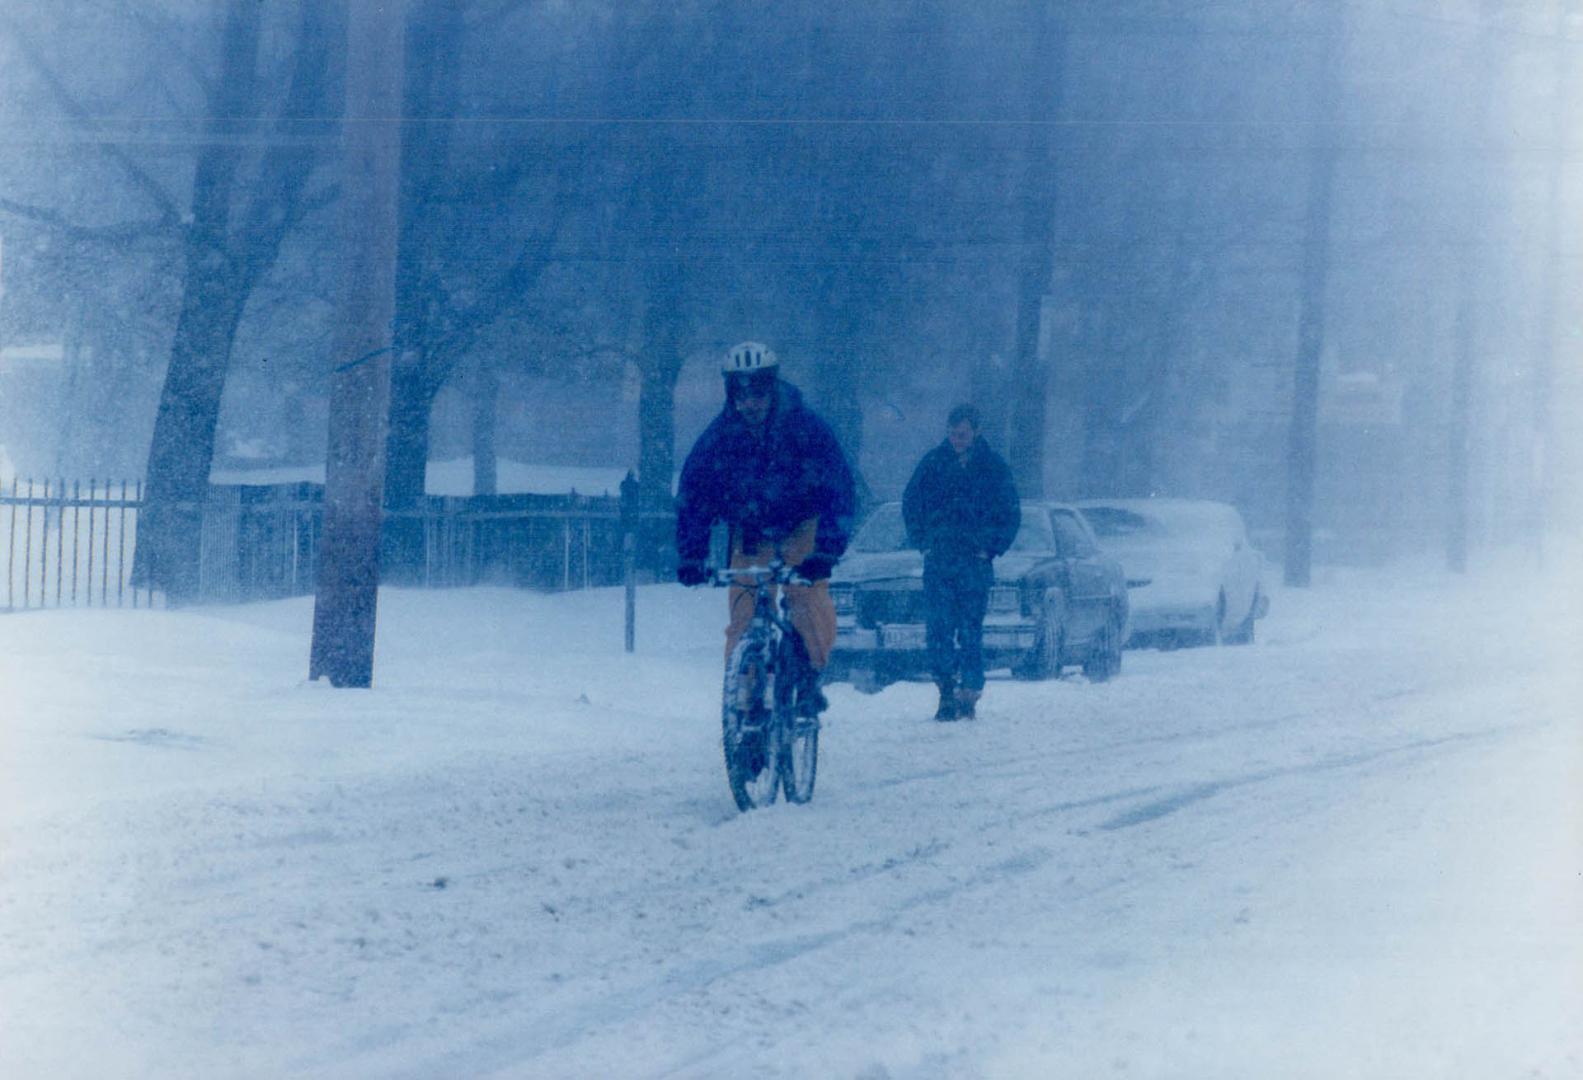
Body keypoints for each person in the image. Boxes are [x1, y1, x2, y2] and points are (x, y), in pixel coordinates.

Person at [675, 341, 857, 718]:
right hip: (752, 533)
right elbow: (694, 495)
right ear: (731, 397)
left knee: (805, 598)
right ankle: (744, 703)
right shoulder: (719, 438)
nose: (750, 405)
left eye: (758, 395)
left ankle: (809, 675)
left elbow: (838, 487)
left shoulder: (806, 429)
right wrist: (691, 554)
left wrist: (826, 550)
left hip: (801, 527)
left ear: (771, 390)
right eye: (741, 397)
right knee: (743, 617)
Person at [902, 404, 1019, 720]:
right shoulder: (932, 464)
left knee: (970, 629)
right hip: (939, 561)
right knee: (939, 629)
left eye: (963, 434)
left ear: (976, 432)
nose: (957, 439)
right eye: (953, 433)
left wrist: (991, 546)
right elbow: (911, 503)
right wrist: (923, 542)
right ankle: (945, 691)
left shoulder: (993, 467)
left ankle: (970, 691)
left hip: (974, 563)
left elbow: (1010, 512)